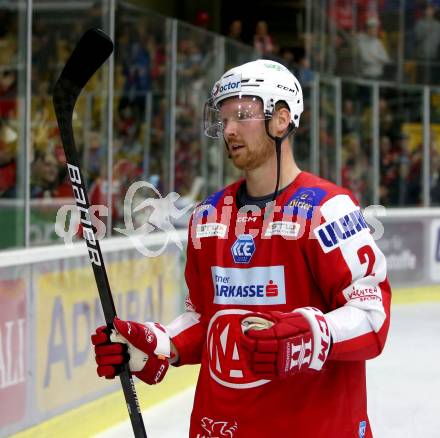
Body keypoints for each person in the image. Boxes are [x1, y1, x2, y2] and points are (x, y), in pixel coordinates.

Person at [91, 60, 391, 437]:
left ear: (281, 120)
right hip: (221, 426)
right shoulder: (209, 216)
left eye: (242, 115)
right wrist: (159, 345)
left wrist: (310, 333)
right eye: (223, 118)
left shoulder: (327, 209)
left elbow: (372, 318)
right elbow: (207, 319)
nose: (228, 129)